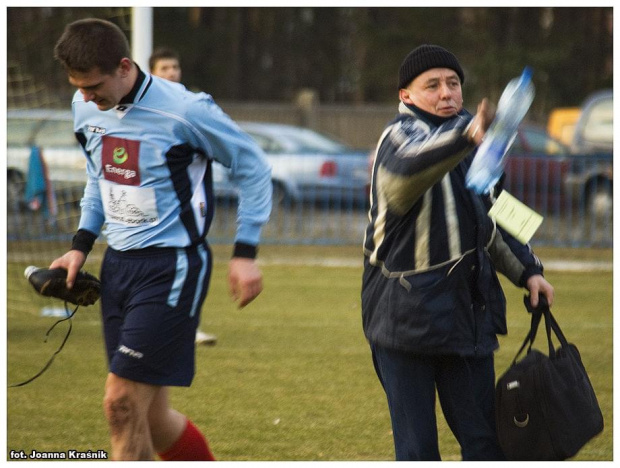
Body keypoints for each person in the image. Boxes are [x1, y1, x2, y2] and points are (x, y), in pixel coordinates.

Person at [52, 18, 272, 461]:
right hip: (119, 266)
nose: (87, 97)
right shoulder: (85, 106)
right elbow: (100, 178)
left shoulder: (187, 110)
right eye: (79, 88)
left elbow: (253, 165)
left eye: (94, 86)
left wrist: (245, 252)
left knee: (120, 402)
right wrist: (80, 245)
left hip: (172, 268)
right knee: (151, 419)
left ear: (124, 66)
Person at [361, 44, 554, 461]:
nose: (446, 92)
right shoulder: (398, 137)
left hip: (467, 315)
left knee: (486, 444)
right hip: (403, 319)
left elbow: (500, 210)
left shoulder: (474, 137)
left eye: (453, 83)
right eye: (432, 85)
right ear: (405, 96)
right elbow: (402, 178)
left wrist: (530, 270)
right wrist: (467, 137)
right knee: (418, 452)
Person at [149, 46, 218, 347]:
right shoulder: (143, 110)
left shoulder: (194, 107)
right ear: (152, 72)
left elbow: (214, 144)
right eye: (164, 68)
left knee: (193, 254)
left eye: (174, 67)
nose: (172, 73)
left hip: (193, 196)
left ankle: (189, 324)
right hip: (153, 202)